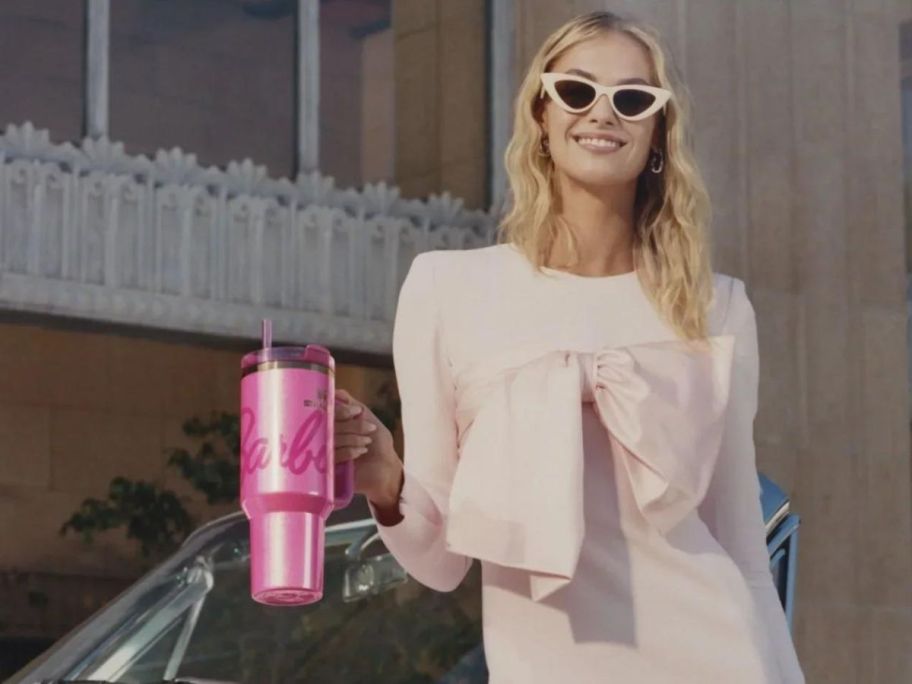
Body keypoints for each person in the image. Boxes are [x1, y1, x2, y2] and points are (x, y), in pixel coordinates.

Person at [333, 9, 806, 684]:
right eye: (577, 91)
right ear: (543, 117)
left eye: (633, 98)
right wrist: (385, 482)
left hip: (717, 657)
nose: (602, 113)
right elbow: (440, 563)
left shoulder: (716, 305)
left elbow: (741, 546)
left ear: (658, 134)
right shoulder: (449, 290)